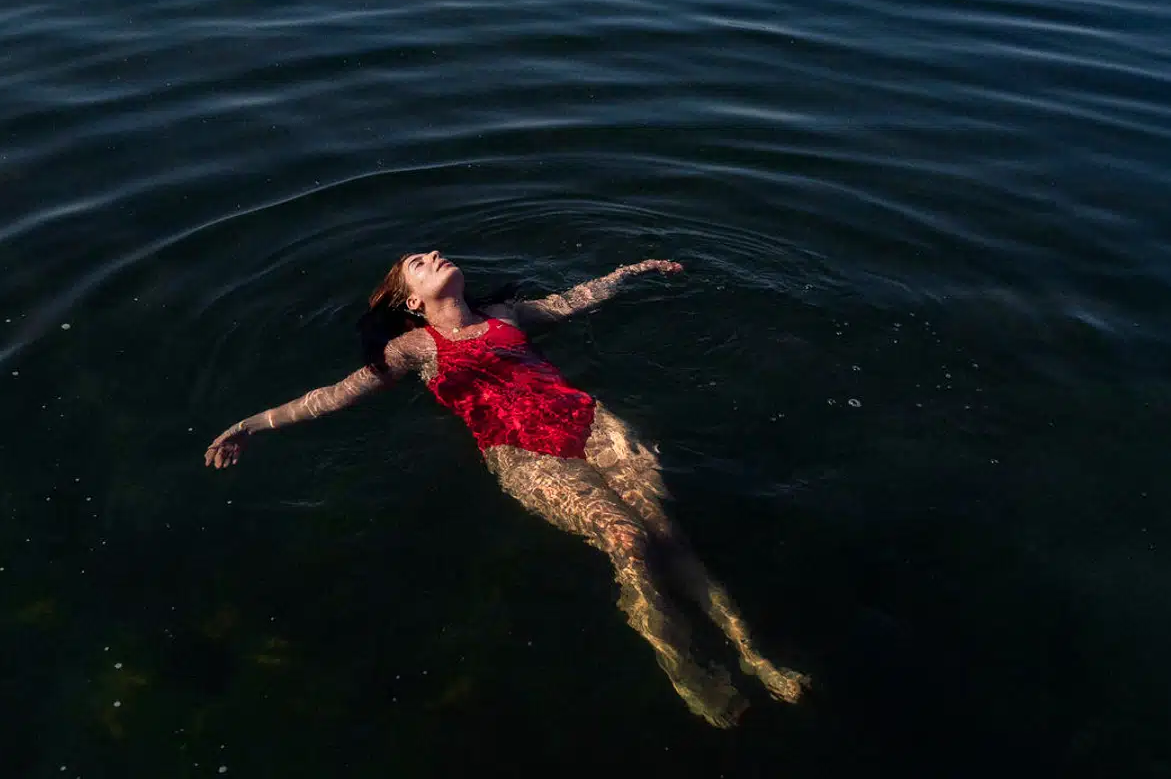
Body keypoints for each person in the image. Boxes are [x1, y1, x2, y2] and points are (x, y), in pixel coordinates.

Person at [204, 251, 807, 727]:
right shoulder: (412, 348)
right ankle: (682, 666)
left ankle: (753, 654)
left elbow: (576, 300)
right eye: (420, 262)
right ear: (410, 301)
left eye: (434, 252)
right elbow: (330, 396)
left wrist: (634, 270)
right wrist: (248, 425)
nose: (436, 254)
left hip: (590, 424)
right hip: (520, 450)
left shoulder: (507, 316)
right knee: (625, 539)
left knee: (667, 533)